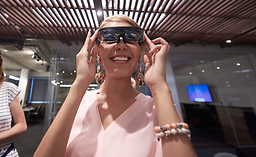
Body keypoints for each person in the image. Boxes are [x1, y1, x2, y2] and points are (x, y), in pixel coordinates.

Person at [34, 14, 196, 157]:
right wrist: (80, 83)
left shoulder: (157, 108)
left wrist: (159, 86)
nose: (121, 45)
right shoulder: (79, 103)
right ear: (97, 51)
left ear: (140, 53)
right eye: (110, 37)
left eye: (131, 37)